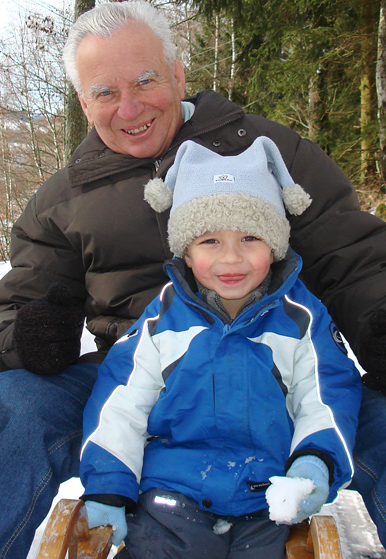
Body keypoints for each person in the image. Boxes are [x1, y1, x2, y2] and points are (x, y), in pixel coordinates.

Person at [0, 2, 386, 558]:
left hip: (278, 369)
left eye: (145, 80)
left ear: (176, 72)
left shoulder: (268, 153)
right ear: (83, 103)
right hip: (138, 377)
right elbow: (15, 307)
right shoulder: (64, 200)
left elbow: (357, 254)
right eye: (105, 92)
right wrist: (27, 338)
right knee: (12, 403)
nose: (130, 106)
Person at [78, 137, 363, 558]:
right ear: (187, 254)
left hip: (268, 499)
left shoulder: (302, 318)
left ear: (275, 245)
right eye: (210, 241)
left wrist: (313, 463)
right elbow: (121, 401)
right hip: (168, 496)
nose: (232, 259)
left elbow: (326, 393)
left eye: (250, 238)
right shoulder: (162, 320)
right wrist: (108, 486)